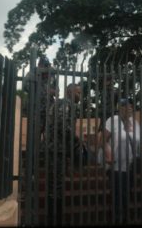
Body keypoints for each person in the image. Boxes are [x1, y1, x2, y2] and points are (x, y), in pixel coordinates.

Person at [102, 98, 142, 224]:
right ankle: (116, 219)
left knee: (126, 194)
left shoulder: (135, 123)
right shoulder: (113, 120)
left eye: (131, 106)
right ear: (119, 108)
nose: (130, 108)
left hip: (130, 165)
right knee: (117, 195)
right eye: (126, 106)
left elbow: (137, 142)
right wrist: (108, 155)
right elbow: (102, 141)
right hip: (116, 166)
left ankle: (124, 218)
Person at [46, 83, 82, 226]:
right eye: (78, 93)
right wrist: (76, 139)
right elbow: (62, 125)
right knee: (56, 186)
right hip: (57, 150)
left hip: (57, 149)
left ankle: (55, 217)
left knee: (56, 185)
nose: (80, 96)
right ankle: (55, 219)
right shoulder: (66, 104)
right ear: (69, 92)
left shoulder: (63, 103)